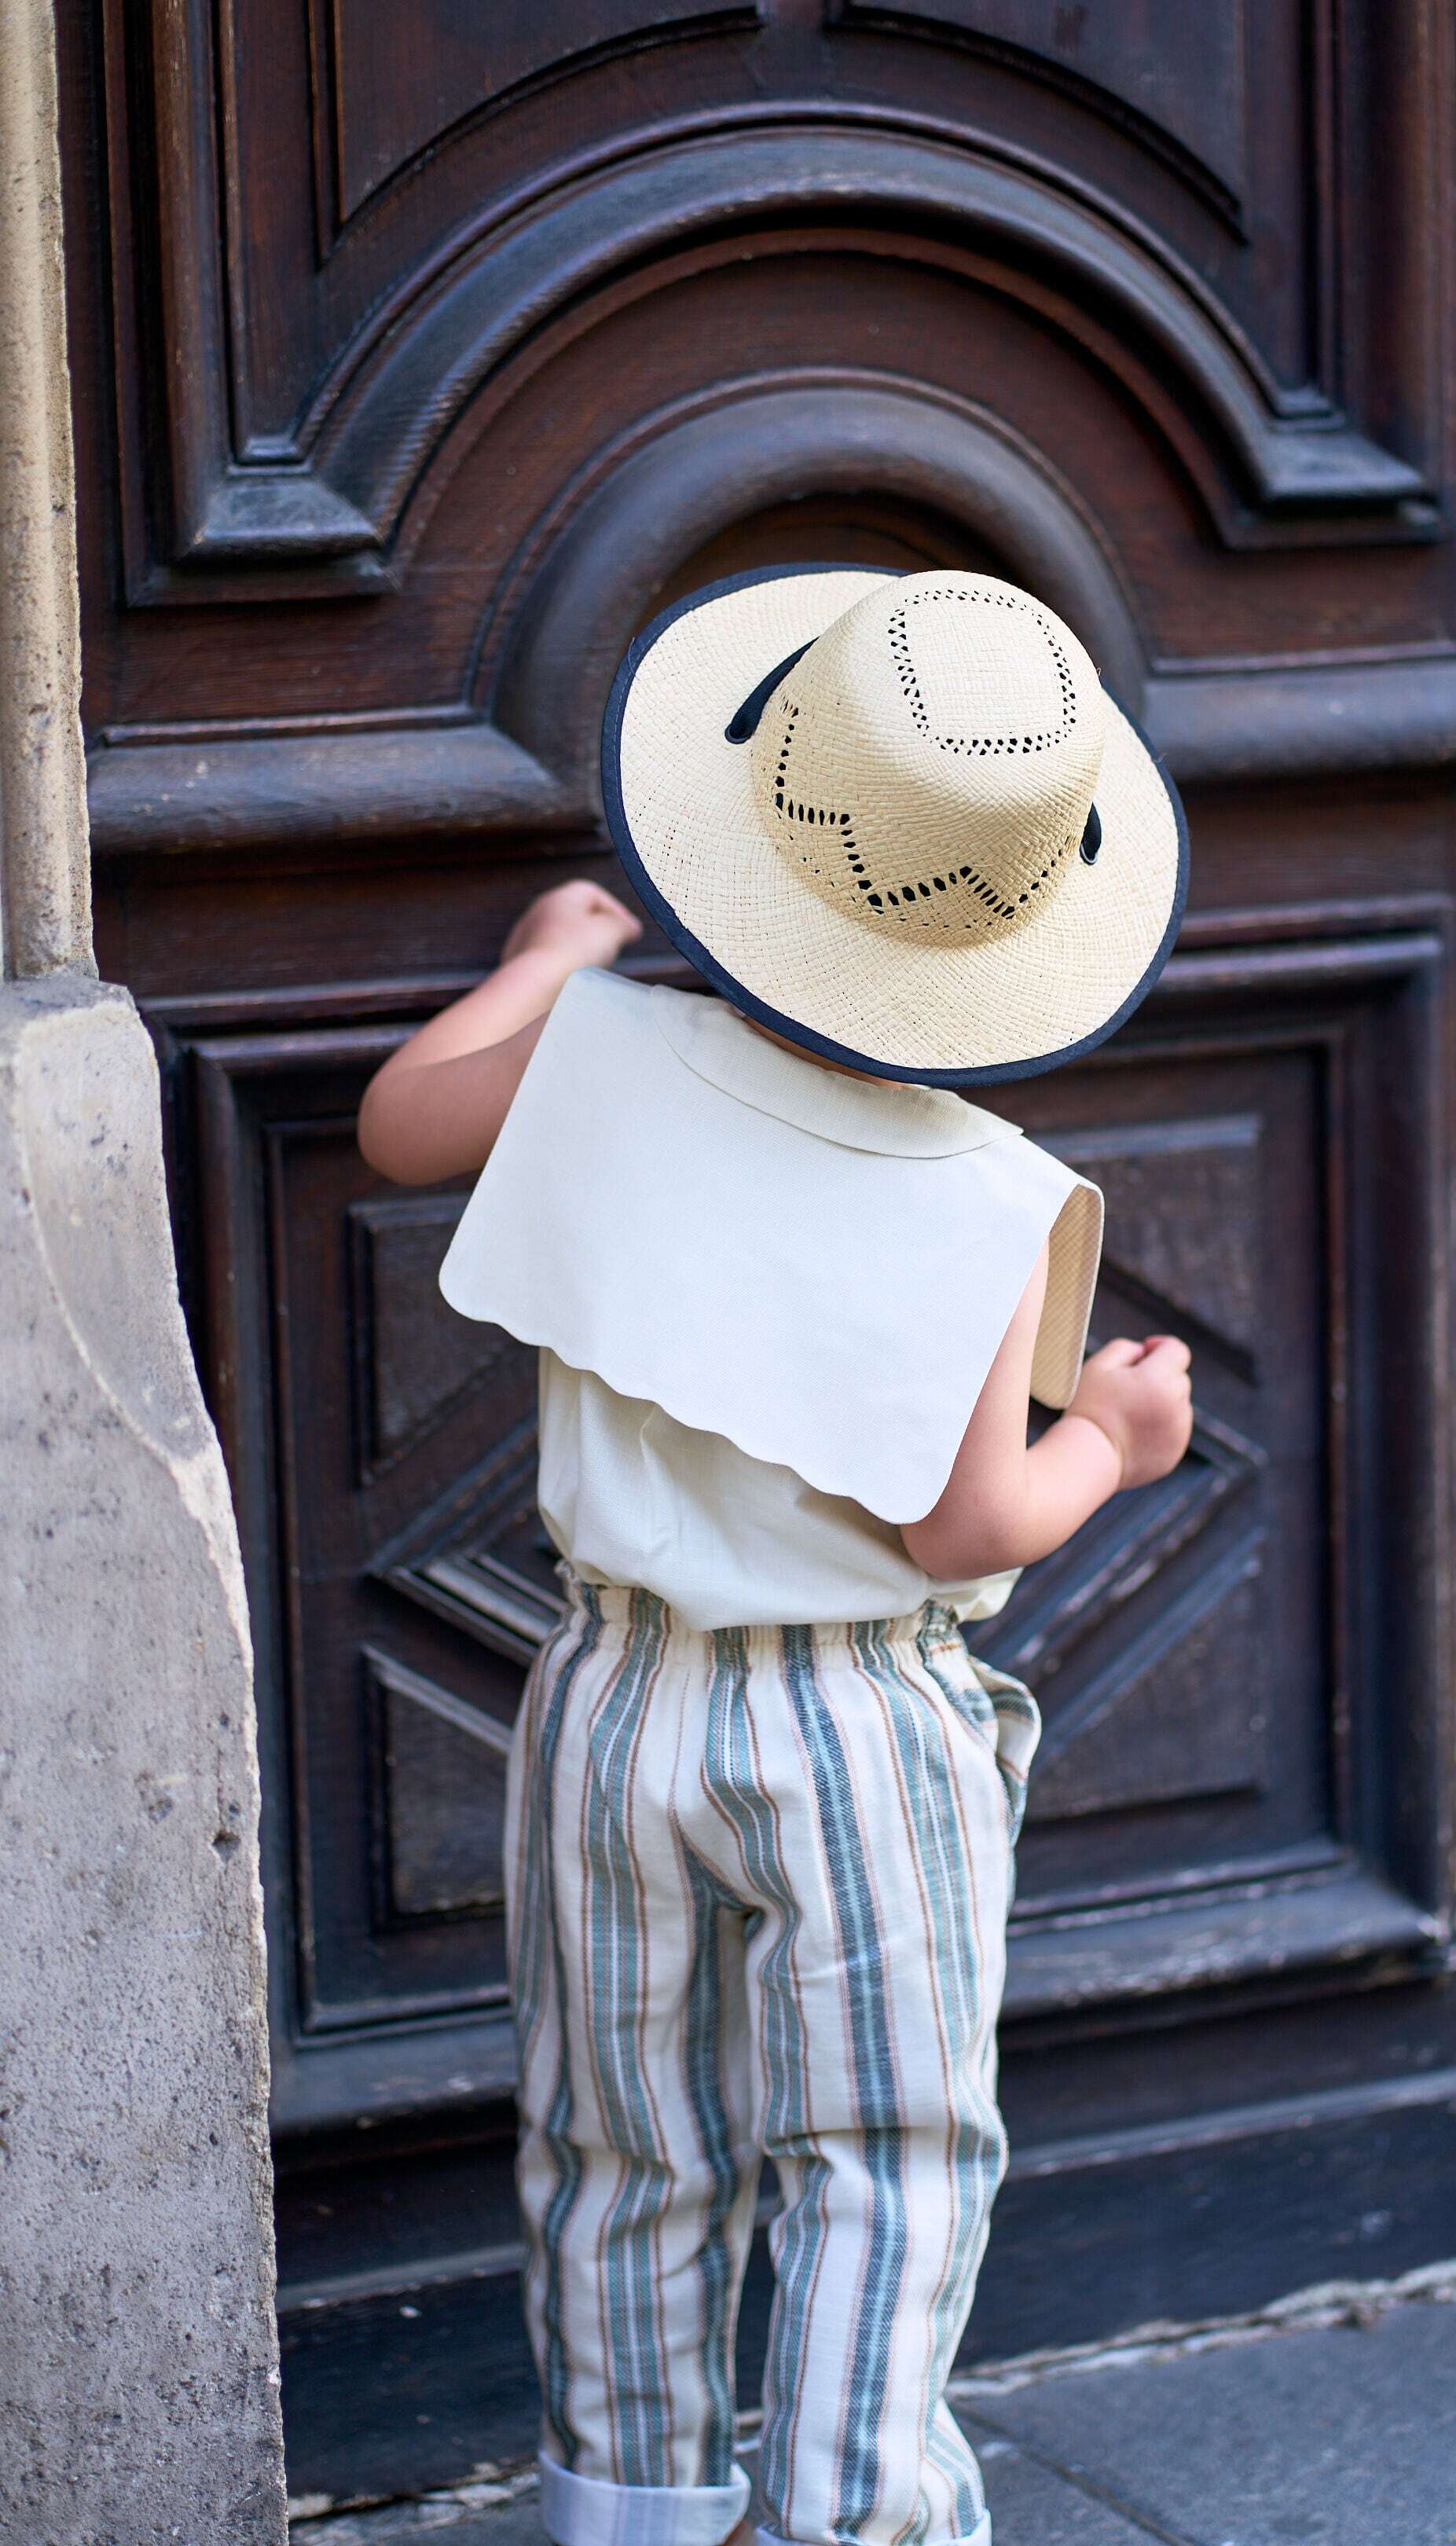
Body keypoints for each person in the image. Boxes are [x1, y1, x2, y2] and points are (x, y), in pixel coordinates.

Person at [357, 566, 1194, 2546]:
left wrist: (547, 965)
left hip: (610, 1698)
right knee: (883, 2157)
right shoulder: (986, 1202)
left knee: (619, 2138)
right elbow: (961, 1524)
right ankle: (840, 2521)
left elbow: (398, 1126)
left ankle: (634, 2506)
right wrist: (1110, 1440)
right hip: (856, 1732)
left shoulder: (600, 1056)